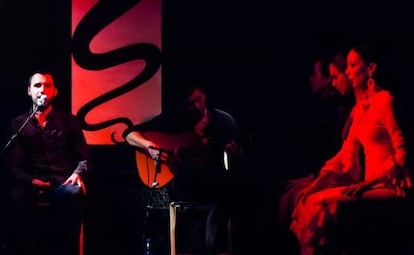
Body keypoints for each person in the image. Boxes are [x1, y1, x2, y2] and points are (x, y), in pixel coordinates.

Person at [289, 41, 412, 255]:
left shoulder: (385, 101)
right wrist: (315, 185)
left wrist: (368, 183)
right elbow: (345, 154)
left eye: (353, 65)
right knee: (310, 200)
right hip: (370, 186)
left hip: (392, 186)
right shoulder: (362, 109)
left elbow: (403, 154)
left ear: (371, 68)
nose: (348, 71)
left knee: (323, 204)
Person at [122, 77, 242, 255]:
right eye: (189, 103)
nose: (196, 106)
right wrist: (149, 146)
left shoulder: (224, 122)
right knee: (186, 171)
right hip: (184, 186)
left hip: (216, 186)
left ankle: (216, 249)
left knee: (227, 192)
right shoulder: (174, 120)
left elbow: (236, 161)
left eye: (198, 99)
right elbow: (129, 134)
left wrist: (237, 154)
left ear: (205, 95)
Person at [2, 70, 90, 255]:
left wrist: (77, 174)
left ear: (55, 91)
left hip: (62, 183)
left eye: (47, 85)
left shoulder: (68, 121)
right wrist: (30, 180)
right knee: (15, 197)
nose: (42, 89)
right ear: (29, 91)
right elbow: (13, 165)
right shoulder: (19, 124)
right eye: (37, 85)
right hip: (32, 183)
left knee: (74, 195)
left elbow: (84, 157)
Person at [277, 49, 354, 229]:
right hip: (335, 172)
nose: (349, 74)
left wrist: (318, 180)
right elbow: (338, 155)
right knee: (290, 198)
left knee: (300, 200)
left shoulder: (352, 110)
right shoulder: (340, 111)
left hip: (348, 176)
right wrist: (317, 177)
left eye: (352, 67)